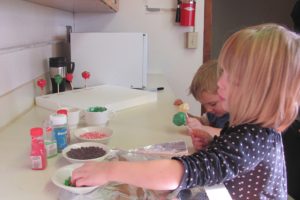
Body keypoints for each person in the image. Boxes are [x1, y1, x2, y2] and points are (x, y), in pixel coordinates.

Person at [72, 24, 300, 199]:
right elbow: (230, 159)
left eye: (232, 77)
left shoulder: (254, 137)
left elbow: (181, 173)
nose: (220, 83)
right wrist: (212, 143)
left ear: (258, 91)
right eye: (223, 71)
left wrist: (110, 170)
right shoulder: (249, 130)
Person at [185, 60, 229, 150]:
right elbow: (203, 121)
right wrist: (187, 117)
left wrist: (202, 128)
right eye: (204, 105)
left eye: (213, 104)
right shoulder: (214, 113)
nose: (208, 109)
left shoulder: (238, 117)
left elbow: (227, 134)